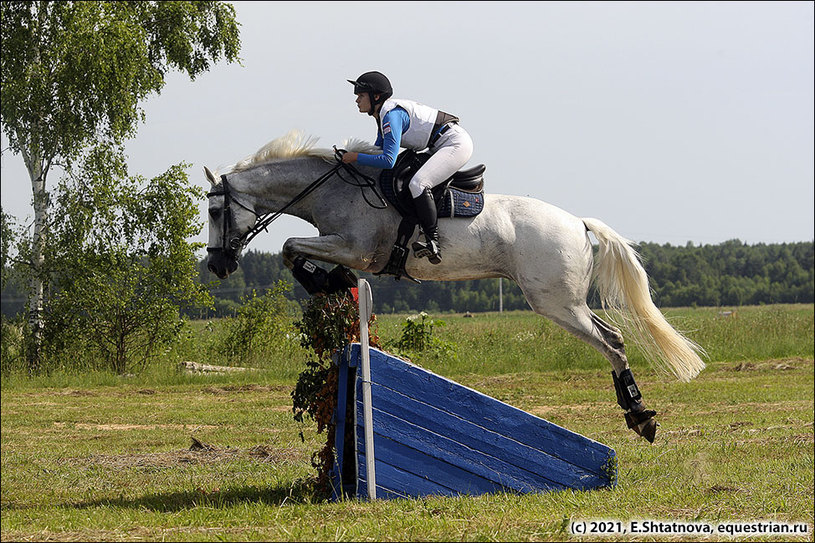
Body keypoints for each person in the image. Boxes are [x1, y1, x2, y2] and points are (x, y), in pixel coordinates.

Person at [342, 71, 473, 264]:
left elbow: (388, 160)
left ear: (375, 96)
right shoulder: (383, 116)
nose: (357, 100)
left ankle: (432, 241)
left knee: (418, 183)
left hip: (454, 144)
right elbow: (377, 150)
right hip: (439, 145)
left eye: (360, 95)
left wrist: (355, 157)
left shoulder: (391, 116)